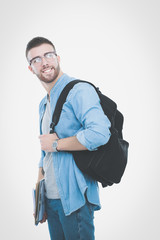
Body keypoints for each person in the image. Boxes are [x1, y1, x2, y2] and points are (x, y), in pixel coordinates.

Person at [26, 36, 111, 240]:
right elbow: (44, 155)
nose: (44, 62)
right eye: (36, 59)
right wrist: (40, 198)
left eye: (48, 55)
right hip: (51, 200)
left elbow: (100, 133)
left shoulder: (79, 91)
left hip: (75, 199)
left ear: (58, 58)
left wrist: (56, 144)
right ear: (31, 69)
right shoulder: (43, 104)